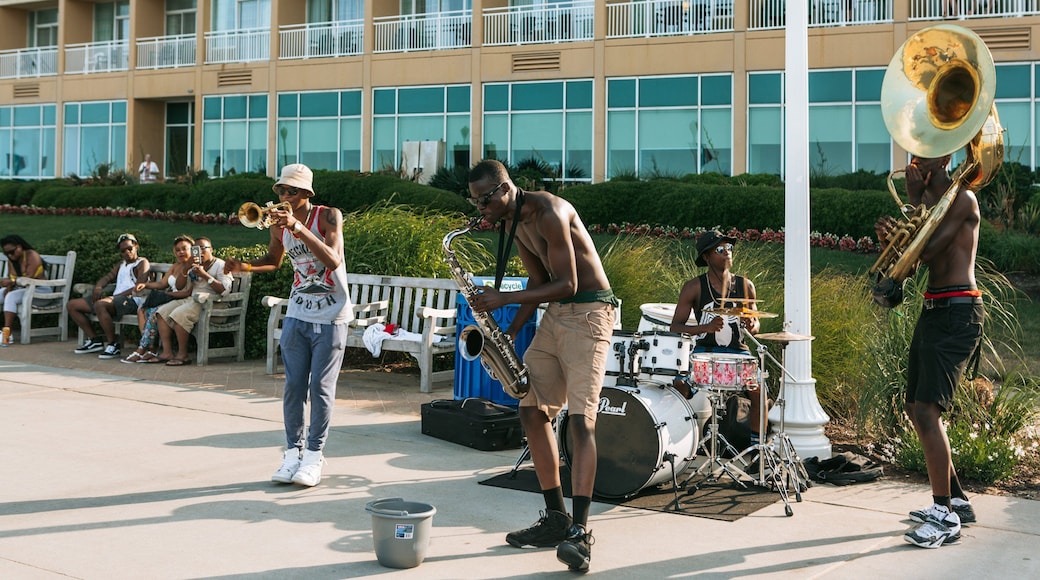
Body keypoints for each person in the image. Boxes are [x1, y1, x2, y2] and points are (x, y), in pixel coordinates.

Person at [465, 159, 617, 572]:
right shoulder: (512, 225)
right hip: (555, 317)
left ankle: (580, 533)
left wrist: (503, 298)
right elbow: (537, 283)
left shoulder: (550, 211)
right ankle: (555, 518)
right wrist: (510, 330)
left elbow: (568, 283)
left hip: (589, 314)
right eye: (474, 200)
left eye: (483, 200)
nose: (479, 208)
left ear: (504, 189)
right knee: (530, 411)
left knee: (582, 421)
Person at [875, 155, 982, 548]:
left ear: (947, 155)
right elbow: (912, 258)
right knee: (912, 405)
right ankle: (955, 500)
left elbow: (927, 250)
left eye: (926, 148)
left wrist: (914, 201)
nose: (915, 157)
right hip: (936, 307)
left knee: (926, 410)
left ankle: (944, 517)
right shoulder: (936, 204)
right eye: (913, 148)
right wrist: (892, 236)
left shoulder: (962, 199)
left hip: (958, 311)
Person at [224, 163, 352, 487]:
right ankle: (292, 453)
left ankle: (313, 455)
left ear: (306, 193)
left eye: (290, 191)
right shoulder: (277, 225)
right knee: (293, 386)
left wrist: (297, 227)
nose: (283, 195)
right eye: (280, 190)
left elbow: (333, 259)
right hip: (298, 311)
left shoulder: (328, 216)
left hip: (331, 314)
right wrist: (245, 266)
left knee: (320, 390)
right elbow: (275, 261)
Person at [668, 230, 766, 449]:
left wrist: (754, 325)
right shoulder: (693, 287)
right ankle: (676, 442)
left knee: (759, 389)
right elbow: (675, 326)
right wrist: (706, 327)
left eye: (729, 248)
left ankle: (757, 448)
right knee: (679, 384)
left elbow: (756, 322)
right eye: (720, 250)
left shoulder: (746, 285)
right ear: (706, 257)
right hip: (705, 353)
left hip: (739, 354)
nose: (727, 253)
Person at [69, 233, 150, 359]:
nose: (127, 252)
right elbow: (108, 277)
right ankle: (94, 340)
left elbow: (139, 286)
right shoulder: (121, 264)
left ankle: (113, 344)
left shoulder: (142, 263)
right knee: (73, 305)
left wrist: (115, 296)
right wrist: (98, 287)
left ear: (136, 246)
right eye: (123, 250)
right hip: (116, 300)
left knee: (100, 305)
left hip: (132, 301)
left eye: (129, 248)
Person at [153, 237, 232, 366]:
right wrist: (185, 269)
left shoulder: (221, 265)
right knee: (162, 312)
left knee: (180, 314)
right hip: (193, 300)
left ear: (211, 249)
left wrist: (205, 275)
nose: (199, 252)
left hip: (214, 304)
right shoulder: (194, 265)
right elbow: (179, 287)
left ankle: (183, 355)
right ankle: (167, 352)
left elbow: (224, 290)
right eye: (196, 249)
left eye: (203, 248)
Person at [121, 235, 195, 364]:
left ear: (193, 250)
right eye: (177, 250)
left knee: (154, 312)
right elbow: (162, 284)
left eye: (184, 249)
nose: (181, 252)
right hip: (170, 298)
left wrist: (169, 295)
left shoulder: (194, 267)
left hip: (180, 299)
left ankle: (142, 349)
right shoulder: (175, 266)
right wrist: (146, 285)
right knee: (142, 309)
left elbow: (188, 292)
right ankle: (150, 348)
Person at [1, 235, 51, 345]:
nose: (10, 255)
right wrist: (9, 287)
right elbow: (13, 279)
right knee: (4, 294)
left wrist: (11, 283)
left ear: (19, 247)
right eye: (7, 253)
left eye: (12, 252)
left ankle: (7, 334)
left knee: (11, 297)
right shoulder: (12, 260)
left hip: (40, 292)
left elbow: (29, 279)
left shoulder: (32, 255)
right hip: (22, 291)